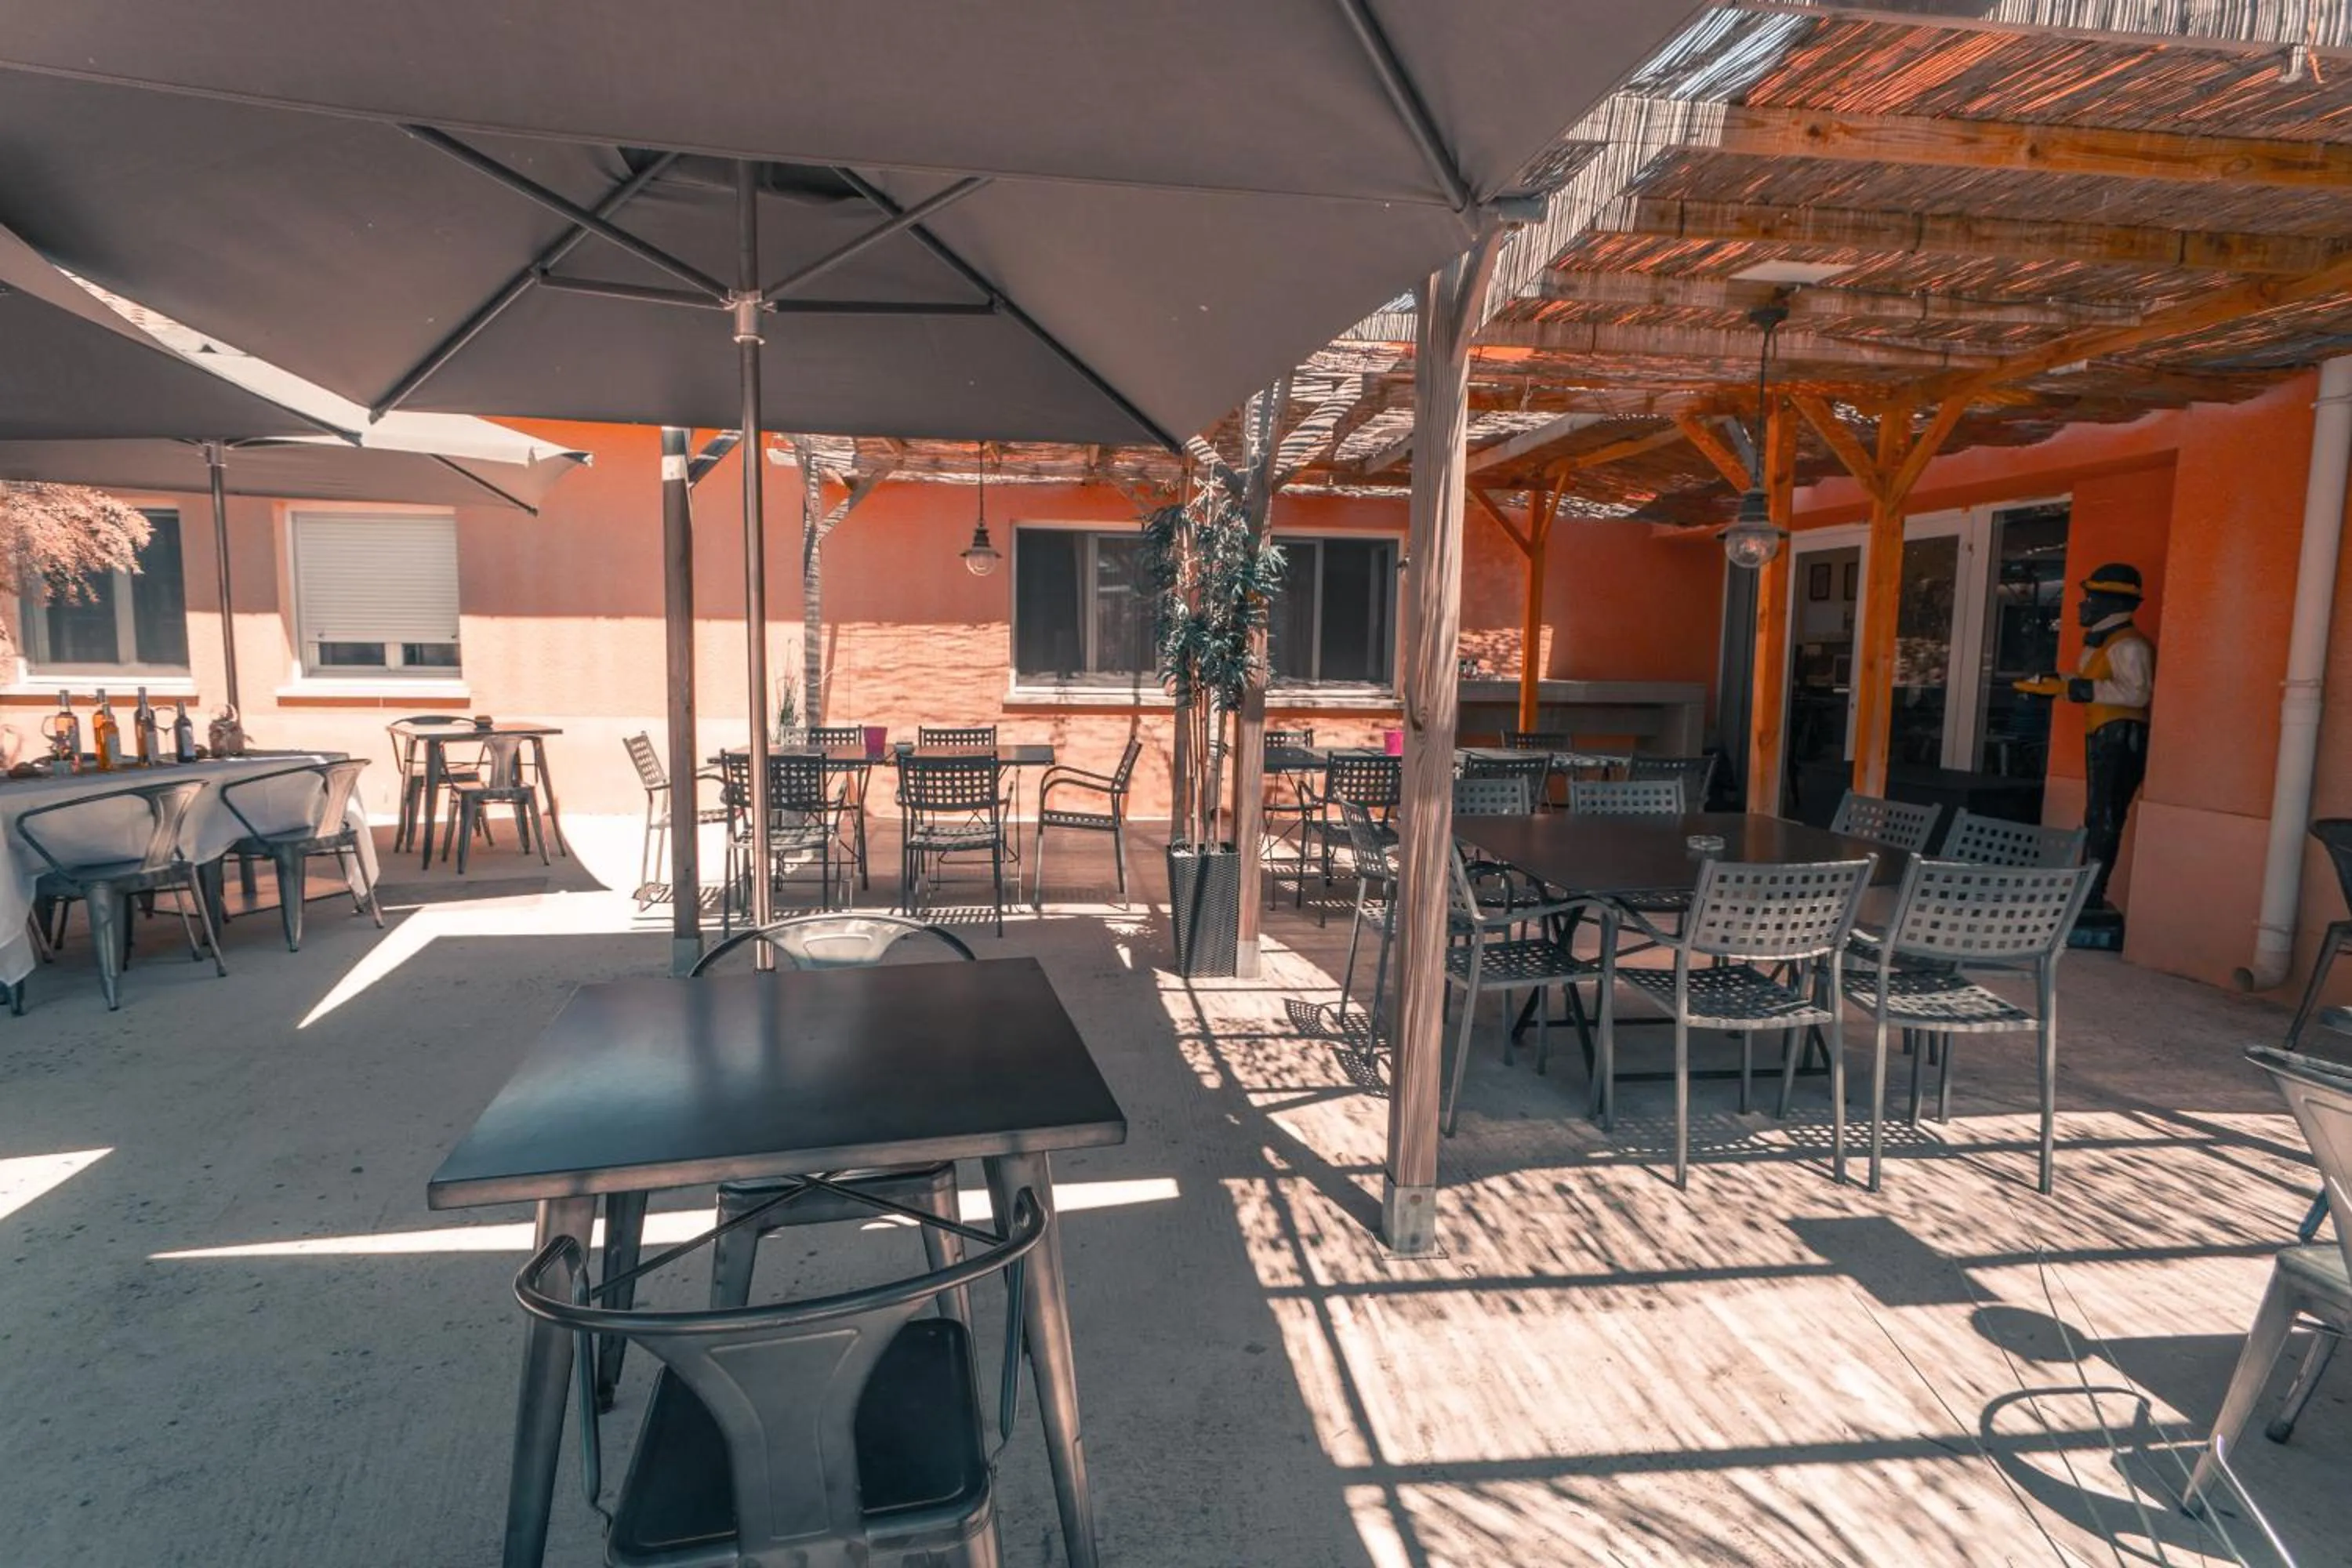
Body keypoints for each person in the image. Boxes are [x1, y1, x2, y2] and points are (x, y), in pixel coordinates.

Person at [2015, 563, 2154, 909]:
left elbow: (2137, 694)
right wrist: (2055, 685)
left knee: (2106, 814)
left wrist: (2073, 687)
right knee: (2096, 813)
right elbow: (2092, 684)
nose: (2082, 605)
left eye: (2089, 597)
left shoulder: (2130, 646)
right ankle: (2086, 888)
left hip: (2122, 736)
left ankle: (2092, 894)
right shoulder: (2102, 643)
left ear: (2110, 603)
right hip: (2102, 732)